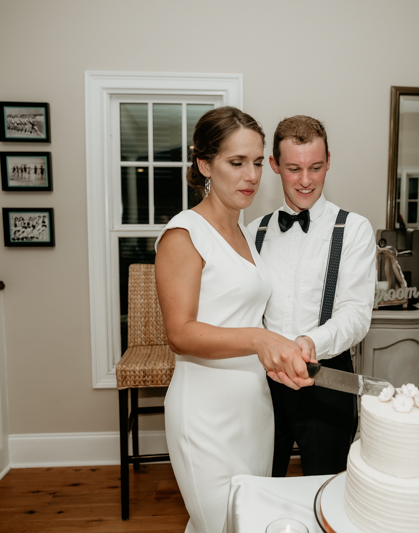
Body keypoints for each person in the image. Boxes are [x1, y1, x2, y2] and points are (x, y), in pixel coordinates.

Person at [154, 107, 313, 533]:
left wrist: (283, 349)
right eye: (237, 162)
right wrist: (261, 340)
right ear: (205, 164)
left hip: (254, 409)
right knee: (217, 525)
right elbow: (180, 333)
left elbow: (241, 314)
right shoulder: (183, 234)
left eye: (258, 162)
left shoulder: (245, 233)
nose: (252, 176)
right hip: (205, 415)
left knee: (247, 522)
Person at [249, 115, 376, 477]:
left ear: (329, 161)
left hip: (326, 377)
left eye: (316, 167)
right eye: (294, 168)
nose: (306, 180)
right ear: (274, 165)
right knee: (261, 482)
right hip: (263, 381)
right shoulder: (252, 231)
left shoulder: (353, 230)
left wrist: (308, 343)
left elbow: (356, 314)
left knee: (326, 488)